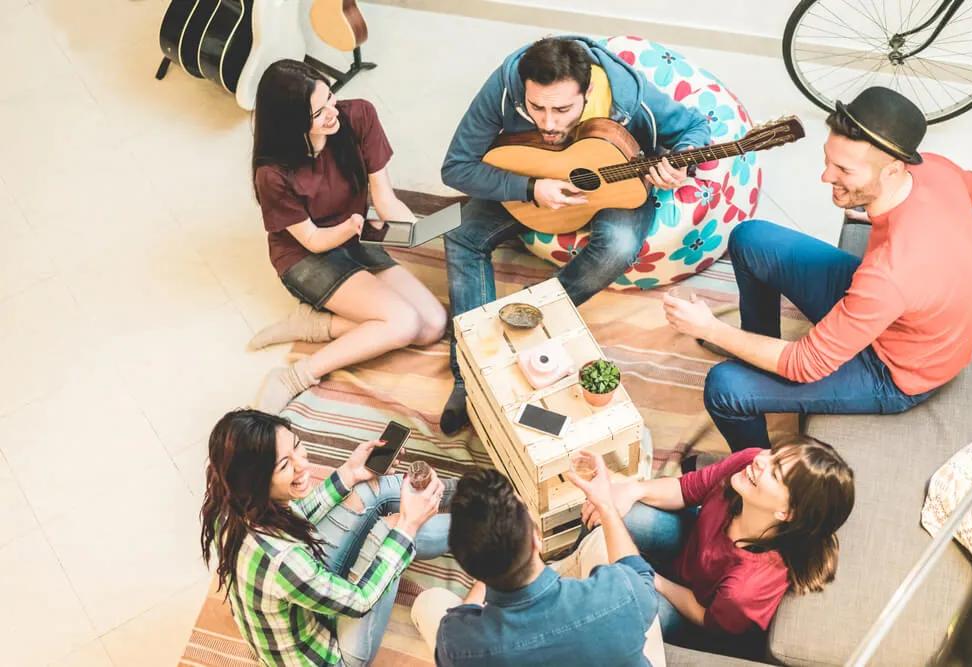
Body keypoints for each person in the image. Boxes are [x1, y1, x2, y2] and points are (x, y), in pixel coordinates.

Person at [662, 86, 972, 451]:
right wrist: (874, 208)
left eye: (844, 170)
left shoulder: (890, 274)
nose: (824, 176)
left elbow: (806, 365)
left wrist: (711, 329)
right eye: (828, 160)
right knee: (750, 238)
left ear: (894, 169)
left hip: (897, 371)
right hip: (896, 313)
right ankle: (758, 351)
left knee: (726, 387)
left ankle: (759, 467)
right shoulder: (935, 168)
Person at [439, 36, 711, 434]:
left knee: (618, 245)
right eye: (536, 108)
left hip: (617, 186)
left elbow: (694, 125)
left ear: (588, 93)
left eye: (563, 109)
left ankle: (530, 319)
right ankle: (470, 377)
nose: (548, 123)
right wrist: (530, 188)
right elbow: (456, 167)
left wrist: (680, 164)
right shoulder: (505, 84)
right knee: (460, 234)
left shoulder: (627, 93)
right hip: (535, 181)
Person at [247, 60, 447, 414]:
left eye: (330, 98)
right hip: (306, 256)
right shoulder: (273, 173)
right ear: (291, 124)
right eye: (318, 112)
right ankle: (294, 376)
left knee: (432, 325)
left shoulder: (358, 117)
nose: (332, 113)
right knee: (402, 322)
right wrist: (347, 228)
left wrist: (416, 232)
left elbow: (385, 198)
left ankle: (319, 325)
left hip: (354, 237)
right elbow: (310, 240)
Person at [199, 408, 451, 667]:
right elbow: (360, 601)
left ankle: (454, 496)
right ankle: (469, 523)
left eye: (297, 446)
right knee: (392, 530)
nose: (303, 464)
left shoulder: (231, 506)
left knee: (367, 488)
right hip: (331, 657)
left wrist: (350, 472)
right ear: (257, 482)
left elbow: (299, 517)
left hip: (304, 604)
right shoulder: (284, 561)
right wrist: (408, 526)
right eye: (286, 464)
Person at [586, 436, 854, 659]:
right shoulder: (747, 465)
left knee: (627, 599)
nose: (760, 459)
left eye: (775, 472)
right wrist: (633, 489)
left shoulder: (746, 588)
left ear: (787, 512)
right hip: (689, 551)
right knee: (627, 511)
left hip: (695, 616)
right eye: (774, 454)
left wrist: (650, 577)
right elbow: (685, 489)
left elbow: (705, 617)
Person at [422, 459, 664, 667]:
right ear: (537, 537)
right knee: (602, 538)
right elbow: (641, 576)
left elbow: (459, 629)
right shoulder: (619, 593)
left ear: (469, 568)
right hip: (606, 619)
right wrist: (606, 505)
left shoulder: (456, 643)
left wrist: (488, 565)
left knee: (427, 603)